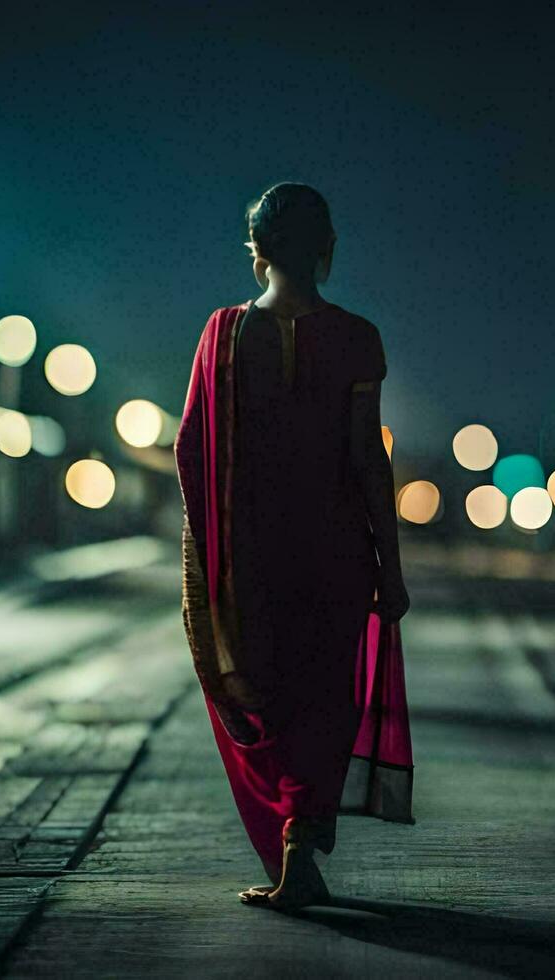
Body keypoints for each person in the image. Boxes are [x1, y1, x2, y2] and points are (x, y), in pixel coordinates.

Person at [174, 182, 413, 911]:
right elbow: (369, 459)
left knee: (263, 695)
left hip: (249, 563)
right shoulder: (357, 337)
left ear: (258, 253)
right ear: (326, 251)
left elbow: (189, 450)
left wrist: (212, 551)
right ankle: (300, 844)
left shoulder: (222, 336)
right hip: (336, 555)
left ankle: (290, 847)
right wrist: (389, 566)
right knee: (323, 700)